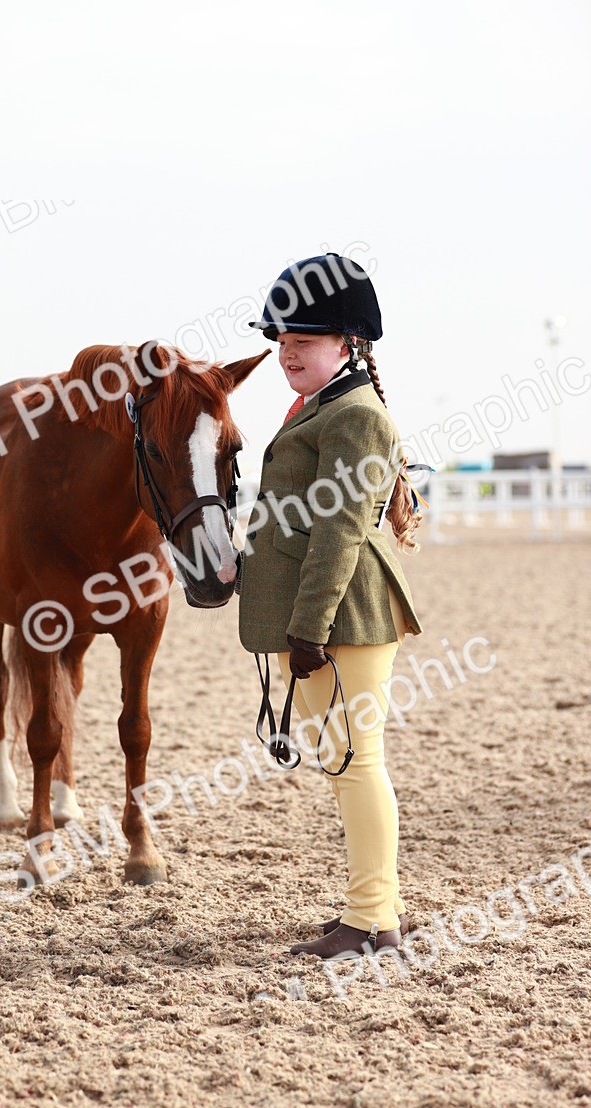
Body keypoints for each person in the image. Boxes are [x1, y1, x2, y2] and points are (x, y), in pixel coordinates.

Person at [237, 253, 424, 959]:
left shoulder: (353, 416)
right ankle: (381, 907)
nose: (287, 353)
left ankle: (371, 920)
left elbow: (339, 532)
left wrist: (308, 629)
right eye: (282, 341)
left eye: (304, 341)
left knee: (355, 762)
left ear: (348, 342)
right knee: (347, 761)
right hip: (326, 613)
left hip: (342, 615)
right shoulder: (323, 405)